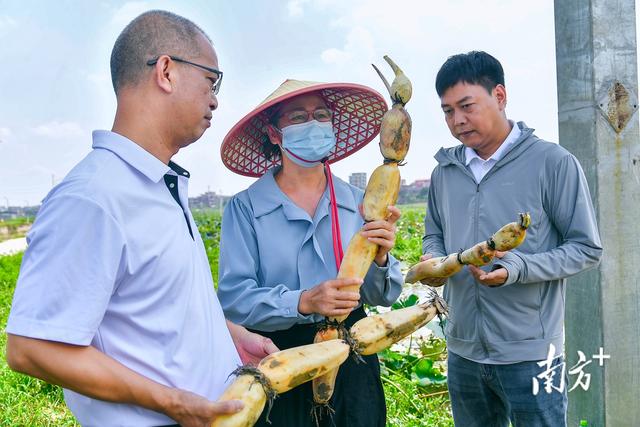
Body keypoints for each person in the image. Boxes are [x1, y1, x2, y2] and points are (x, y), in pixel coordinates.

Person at [5, 10, 277, 427]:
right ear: (166, 71)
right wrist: (174, 403)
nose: (216, 98)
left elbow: (159, 304)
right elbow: (32, 347)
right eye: (211, 80)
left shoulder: (159, 182)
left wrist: (230, 337)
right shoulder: (94, 197)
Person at [423, 51, 603, 427]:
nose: (457, 121)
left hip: (531, 354)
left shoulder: (552, 163)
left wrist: (518, 268)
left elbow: (586, 248)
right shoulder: (445, 173)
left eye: (467, 106)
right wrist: (436, 261)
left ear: (500, 96)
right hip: (463, 352)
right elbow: (434, 234)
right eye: (447, 111)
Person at [217, 79, 404, 426]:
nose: (313, 124)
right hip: (280, 357)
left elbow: (384, 294)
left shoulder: (358, 202)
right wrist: (303, 301)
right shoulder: (245, 208)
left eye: (321, 115)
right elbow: (235, 299)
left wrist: (380, 259)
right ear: (275, 134)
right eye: (299, 117)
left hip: (353, 352)